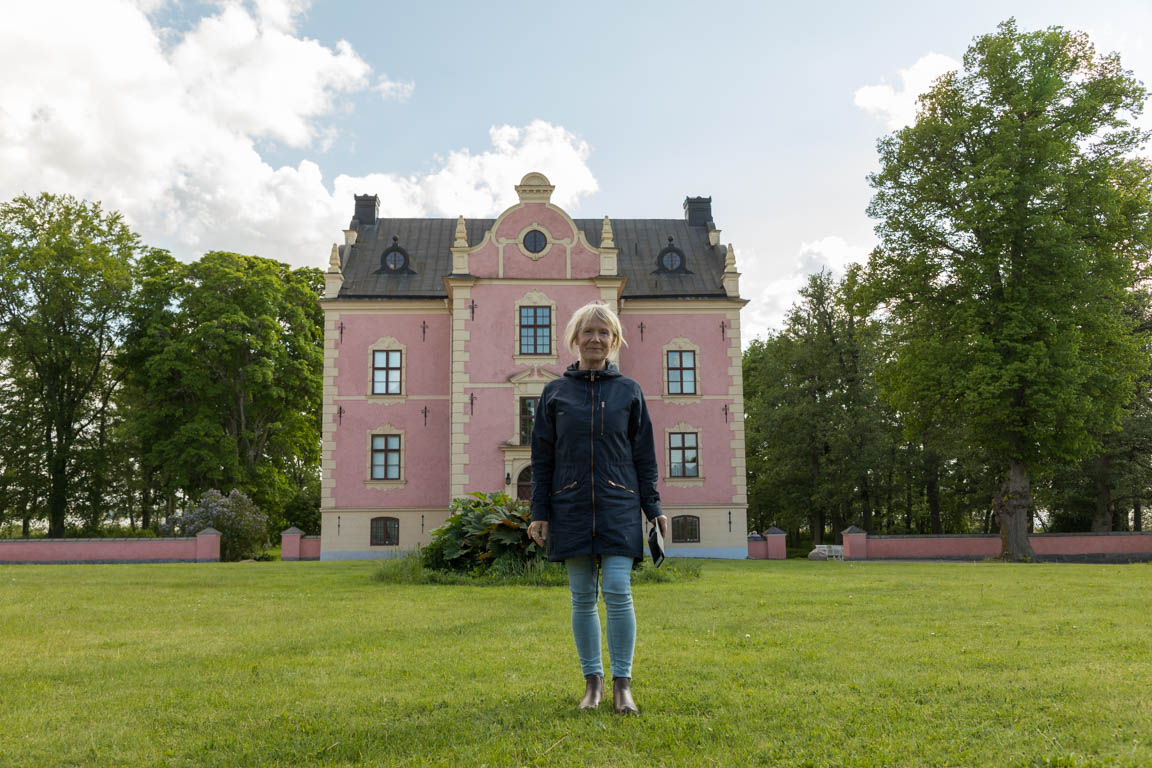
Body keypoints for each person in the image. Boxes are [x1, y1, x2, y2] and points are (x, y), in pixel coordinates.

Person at [527, 301, 669, 715]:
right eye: (587, 331)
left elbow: (644, 455)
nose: (595, 339)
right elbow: (542, 459)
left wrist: (652, 505)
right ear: (575, 338)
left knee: (618, 592)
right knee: (581, 598)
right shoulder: (554, 393)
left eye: (603, 332)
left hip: (619, 504)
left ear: (614, 340)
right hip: (569, 504)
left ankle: (623, 684)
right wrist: (540, 511)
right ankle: (593, 684)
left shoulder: (629, 391)